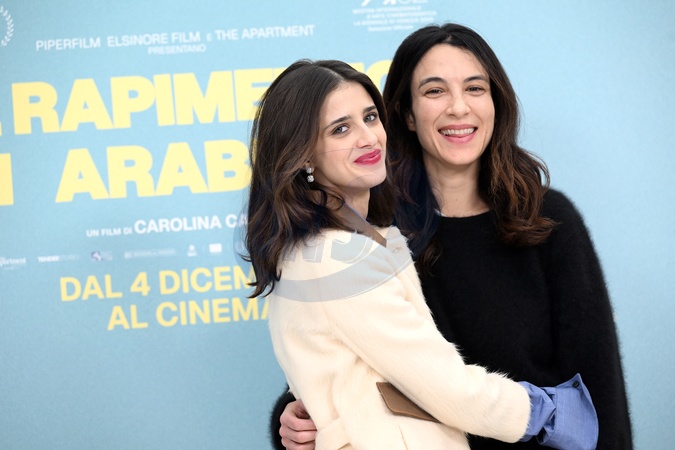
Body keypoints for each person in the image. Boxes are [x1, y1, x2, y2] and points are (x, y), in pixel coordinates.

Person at [270, 24, 632, 450]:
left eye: (475, 88)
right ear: (406, 113)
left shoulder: (548, 220)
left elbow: (598, 391)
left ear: (495, 103)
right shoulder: (373, 235)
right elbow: (335, 367)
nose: (459, 107)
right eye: (435, 91)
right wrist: (294, 418)